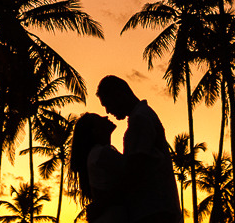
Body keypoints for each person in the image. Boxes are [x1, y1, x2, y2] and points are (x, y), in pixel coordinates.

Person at [95, 75, 182, 223]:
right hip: (155, 209)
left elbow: (135, 170)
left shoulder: (140, 119)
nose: (108, 111)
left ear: (119, 95)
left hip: (153, 210)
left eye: (108, 104)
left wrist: (104, 203)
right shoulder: (143, 116)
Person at [70, 112, 129, 223]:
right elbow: (134, 172)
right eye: (99, 118)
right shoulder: (101, 153)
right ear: (95, 131)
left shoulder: (99, 153)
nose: (105, 116)